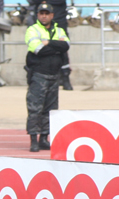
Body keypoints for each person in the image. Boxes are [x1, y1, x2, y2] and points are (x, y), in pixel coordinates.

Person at [24, 2, 68, 152]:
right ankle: (33, 140)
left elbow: (66, 46)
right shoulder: (32, 30)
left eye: (46, 13)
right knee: (35, 109)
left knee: (50, 109)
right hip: (38, 75)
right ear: (38, 15)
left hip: (54, 76)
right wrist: (56, 47)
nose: (44, 16)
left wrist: (48, 42)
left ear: (52, 15)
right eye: (41, 13)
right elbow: (38, 49)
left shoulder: (59, 29)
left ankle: (44, 138)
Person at [29, 0, 72, 90]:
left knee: (63, 50)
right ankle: (35, 79)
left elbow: (65, 45)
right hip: (41, 18)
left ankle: (65, 77)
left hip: (58, 16)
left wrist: (50, 43)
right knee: (38, 48)